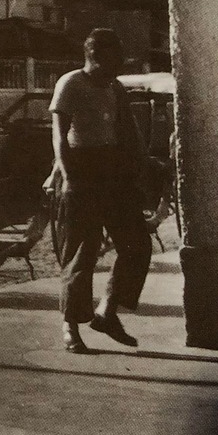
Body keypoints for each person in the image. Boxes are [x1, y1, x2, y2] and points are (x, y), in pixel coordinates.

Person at [48, 27, 152, 353]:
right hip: (82, 171)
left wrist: (137, 175)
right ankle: (70, 326)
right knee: (81, 253)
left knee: (137, 244)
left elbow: (128, 135)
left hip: (114, 173)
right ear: (94, 55)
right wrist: (67, 175)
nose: (119, 63)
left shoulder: (115, 88)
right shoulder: (70, 83)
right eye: (113, 57)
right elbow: (59, 136)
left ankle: (107, 311)